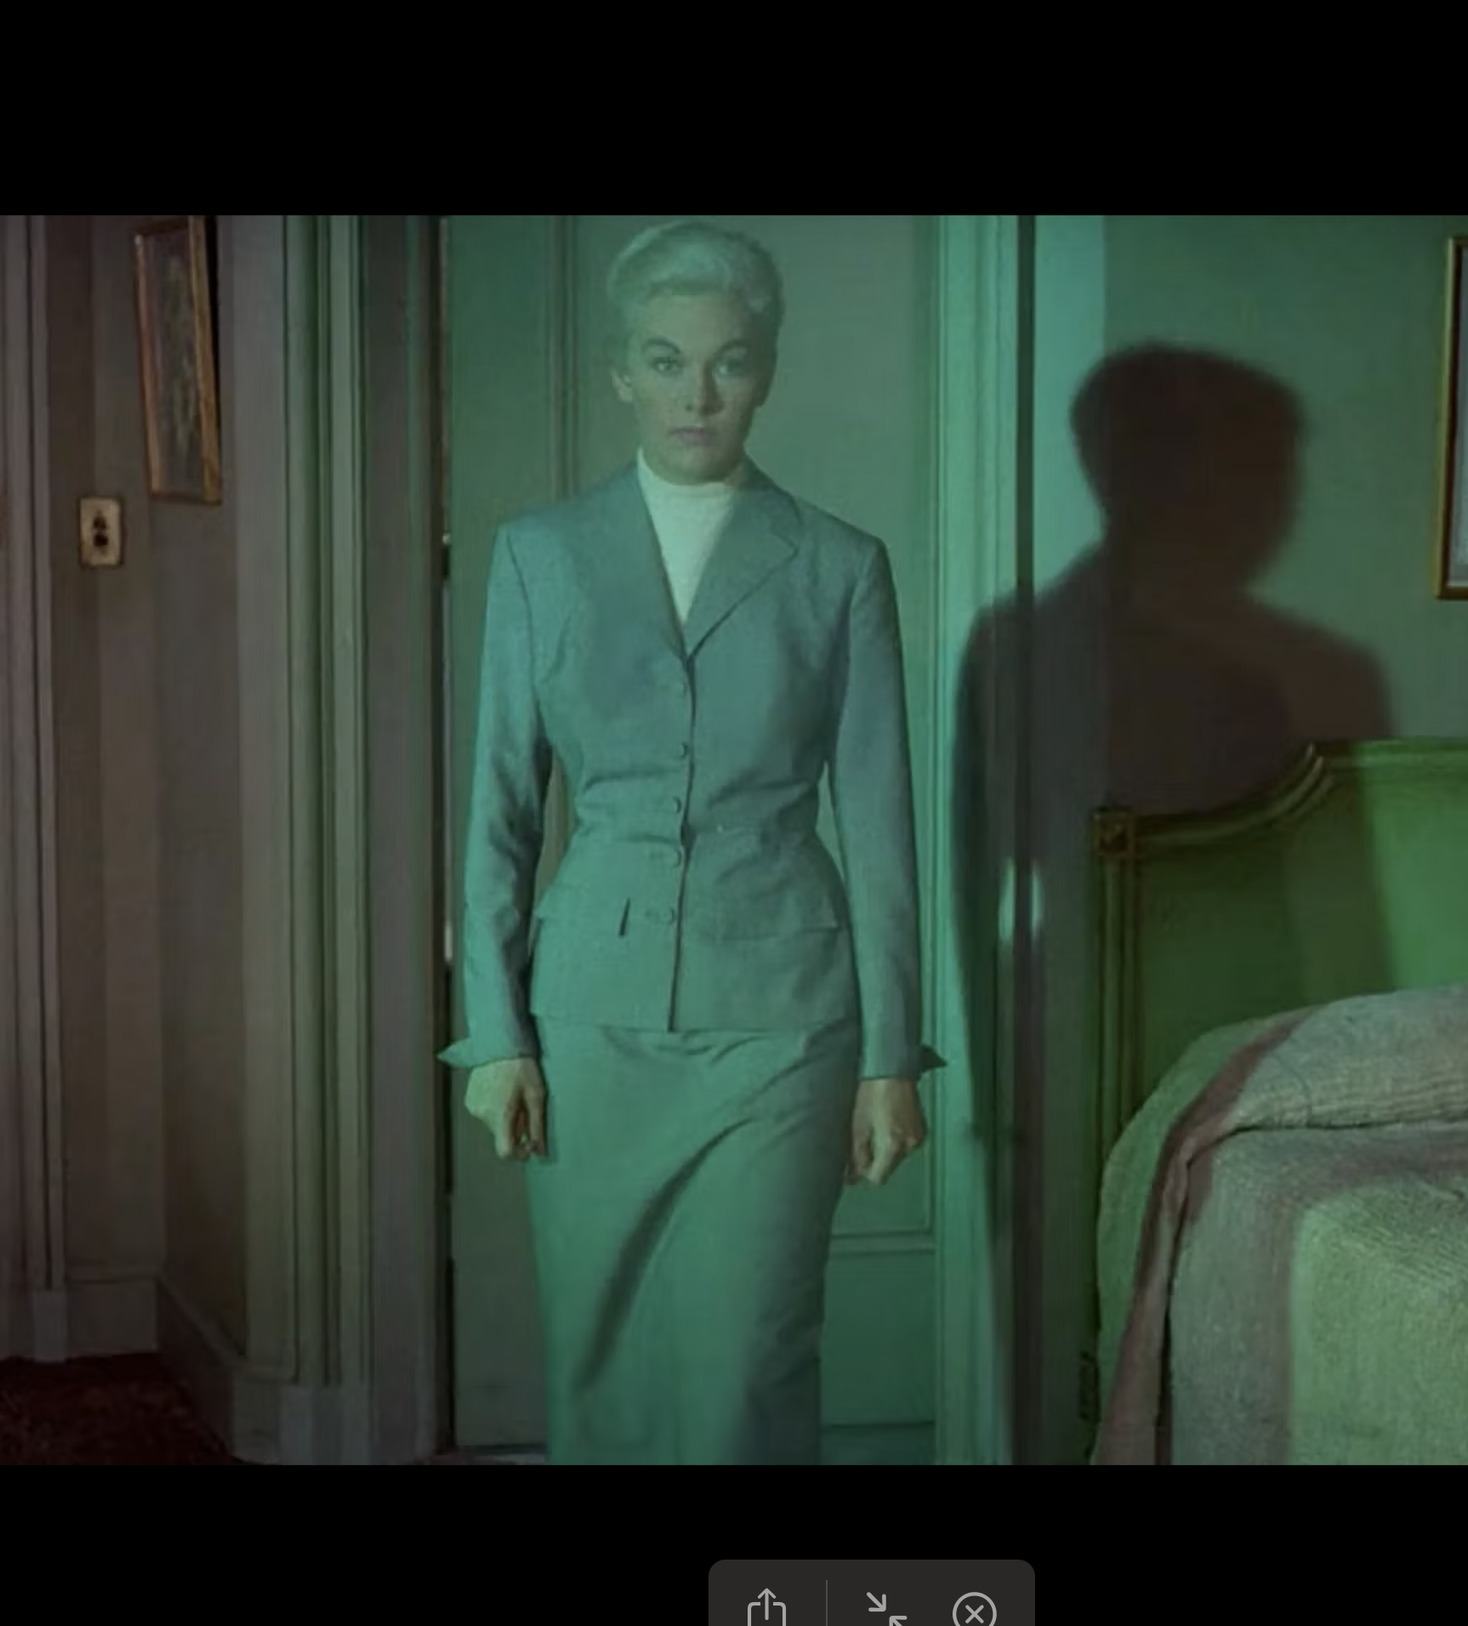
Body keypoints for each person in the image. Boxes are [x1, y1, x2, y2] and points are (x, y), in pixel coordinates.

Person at [440, 218, 943, 1465]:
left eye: (728, 362)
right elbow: (499, 812)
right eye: (666, 361)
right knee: (599, 1369)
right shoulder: (540, 557)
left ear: (765, 372)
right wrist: (496, 1034)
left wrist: (889, 1058)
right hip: (589, 1023)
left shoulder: (838, 566)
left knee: (747, 1372)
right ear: (621, 373)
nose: (697, 394)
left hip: (780, 1027)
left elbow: (880, 826)